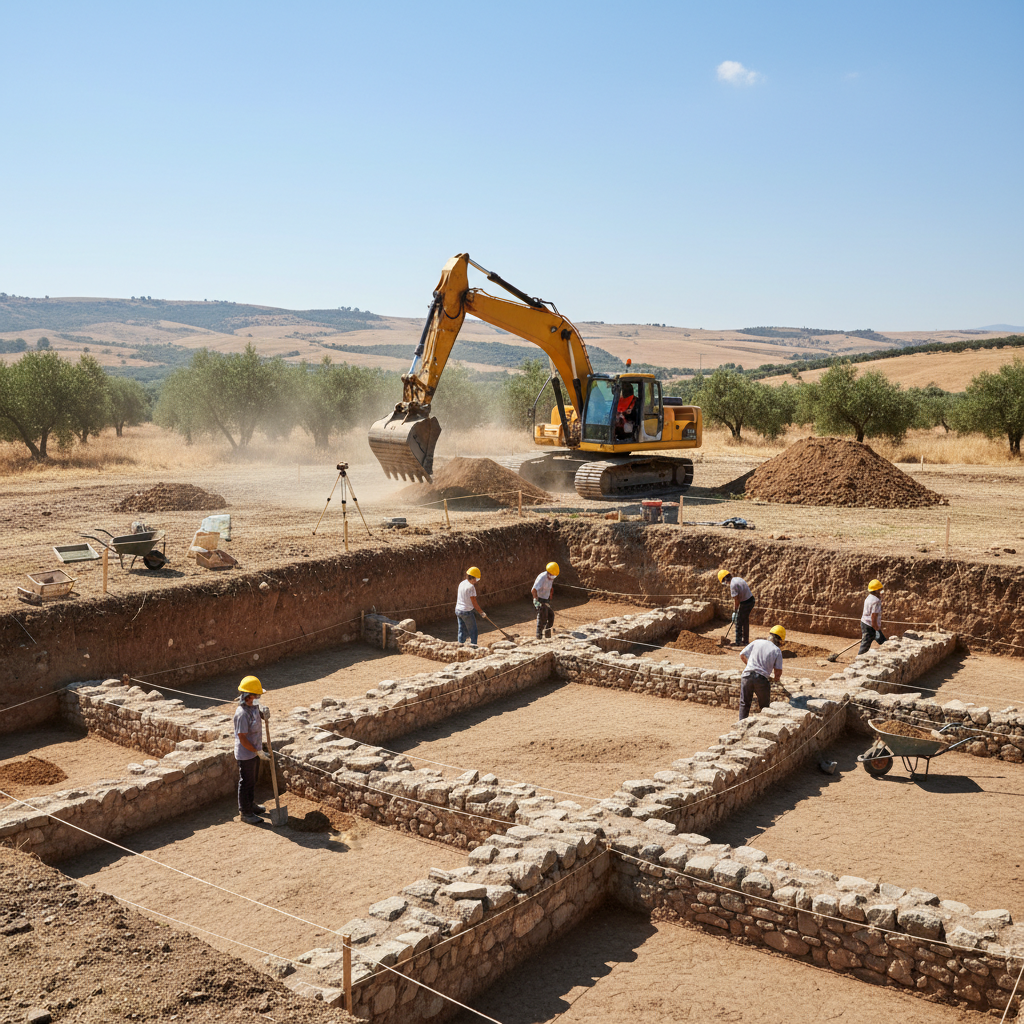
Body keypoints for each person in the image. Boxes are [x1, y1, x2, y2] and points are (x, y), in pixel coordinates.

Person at [234, 675, 270, 825]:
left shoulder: (253, 705)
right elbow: (242, 738)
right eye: (257, 695)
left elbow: (257, 714)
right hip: (246, 753)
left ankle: (251, 805)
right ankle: (245, 812)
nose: (259, 698)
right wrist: (257, 752)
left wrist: (263, 714)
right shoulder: (242, 714)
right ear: (248, 696)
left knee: (252, 780)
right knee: (246, 782)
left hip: (255, 750)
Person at [738, 625, 786, 720]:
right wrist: (776, 680)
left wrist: (750, 666)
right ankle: (764, 727)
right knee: (764, 707)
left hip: (746, 675)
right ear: (780, 640)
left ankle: (741, 726)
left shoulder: (757, 642)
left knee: (744, 703)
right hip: (761, 679)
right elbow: (778, 672)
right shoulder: (777, 651)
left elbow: (742, 655)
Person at [718, 569, 755, 646]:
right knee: (745, 621)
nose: (725, 583)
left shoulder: (732, 585)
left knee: (738, 621)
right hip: (751, 600)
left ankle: (738, 642)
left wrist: (735, 611)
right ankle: (745, 641)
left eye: (723, 581)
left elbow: (737, 599)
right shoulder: (737, 579)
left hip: (746, 602)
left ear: (724, 579)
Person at [456, 566, 485, 646]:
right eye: (477, 579)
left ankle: (460, 646)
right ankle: (473, 647)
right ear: (474, 578)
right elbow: (474, 603)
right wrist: (481, 612)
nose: (477, 581)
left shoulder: (462, 583)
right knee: (473, 631)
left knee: (461, 630)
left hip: (458, 610)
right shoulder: (471, 587)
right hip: (466, 612)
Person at [532, 561, 559, 639]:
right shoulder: (542, 577)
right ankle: (538, 636)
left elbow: (550, 587)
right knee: (542, 616)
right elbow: (533, 590)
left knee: (551, 616)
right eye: (553, 575)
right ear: (549, 572)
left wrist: (550, 595)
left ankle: (547, 634)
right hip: (539, 599)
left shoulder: (551, 576)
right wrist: (537, 601)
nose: (553, 577)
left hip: (545, 599)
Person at [859, 579, 887, 654]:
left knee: (883, 641)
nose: (882, 592)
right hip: (871, 625)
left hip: (865, 623)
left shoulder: (869, 597)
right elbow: (873, 617)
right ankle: (859, 658)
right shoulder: (876, 601)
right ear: (876, 591)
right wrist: (876, 628)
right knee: (865, 645)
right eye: (880, 590)